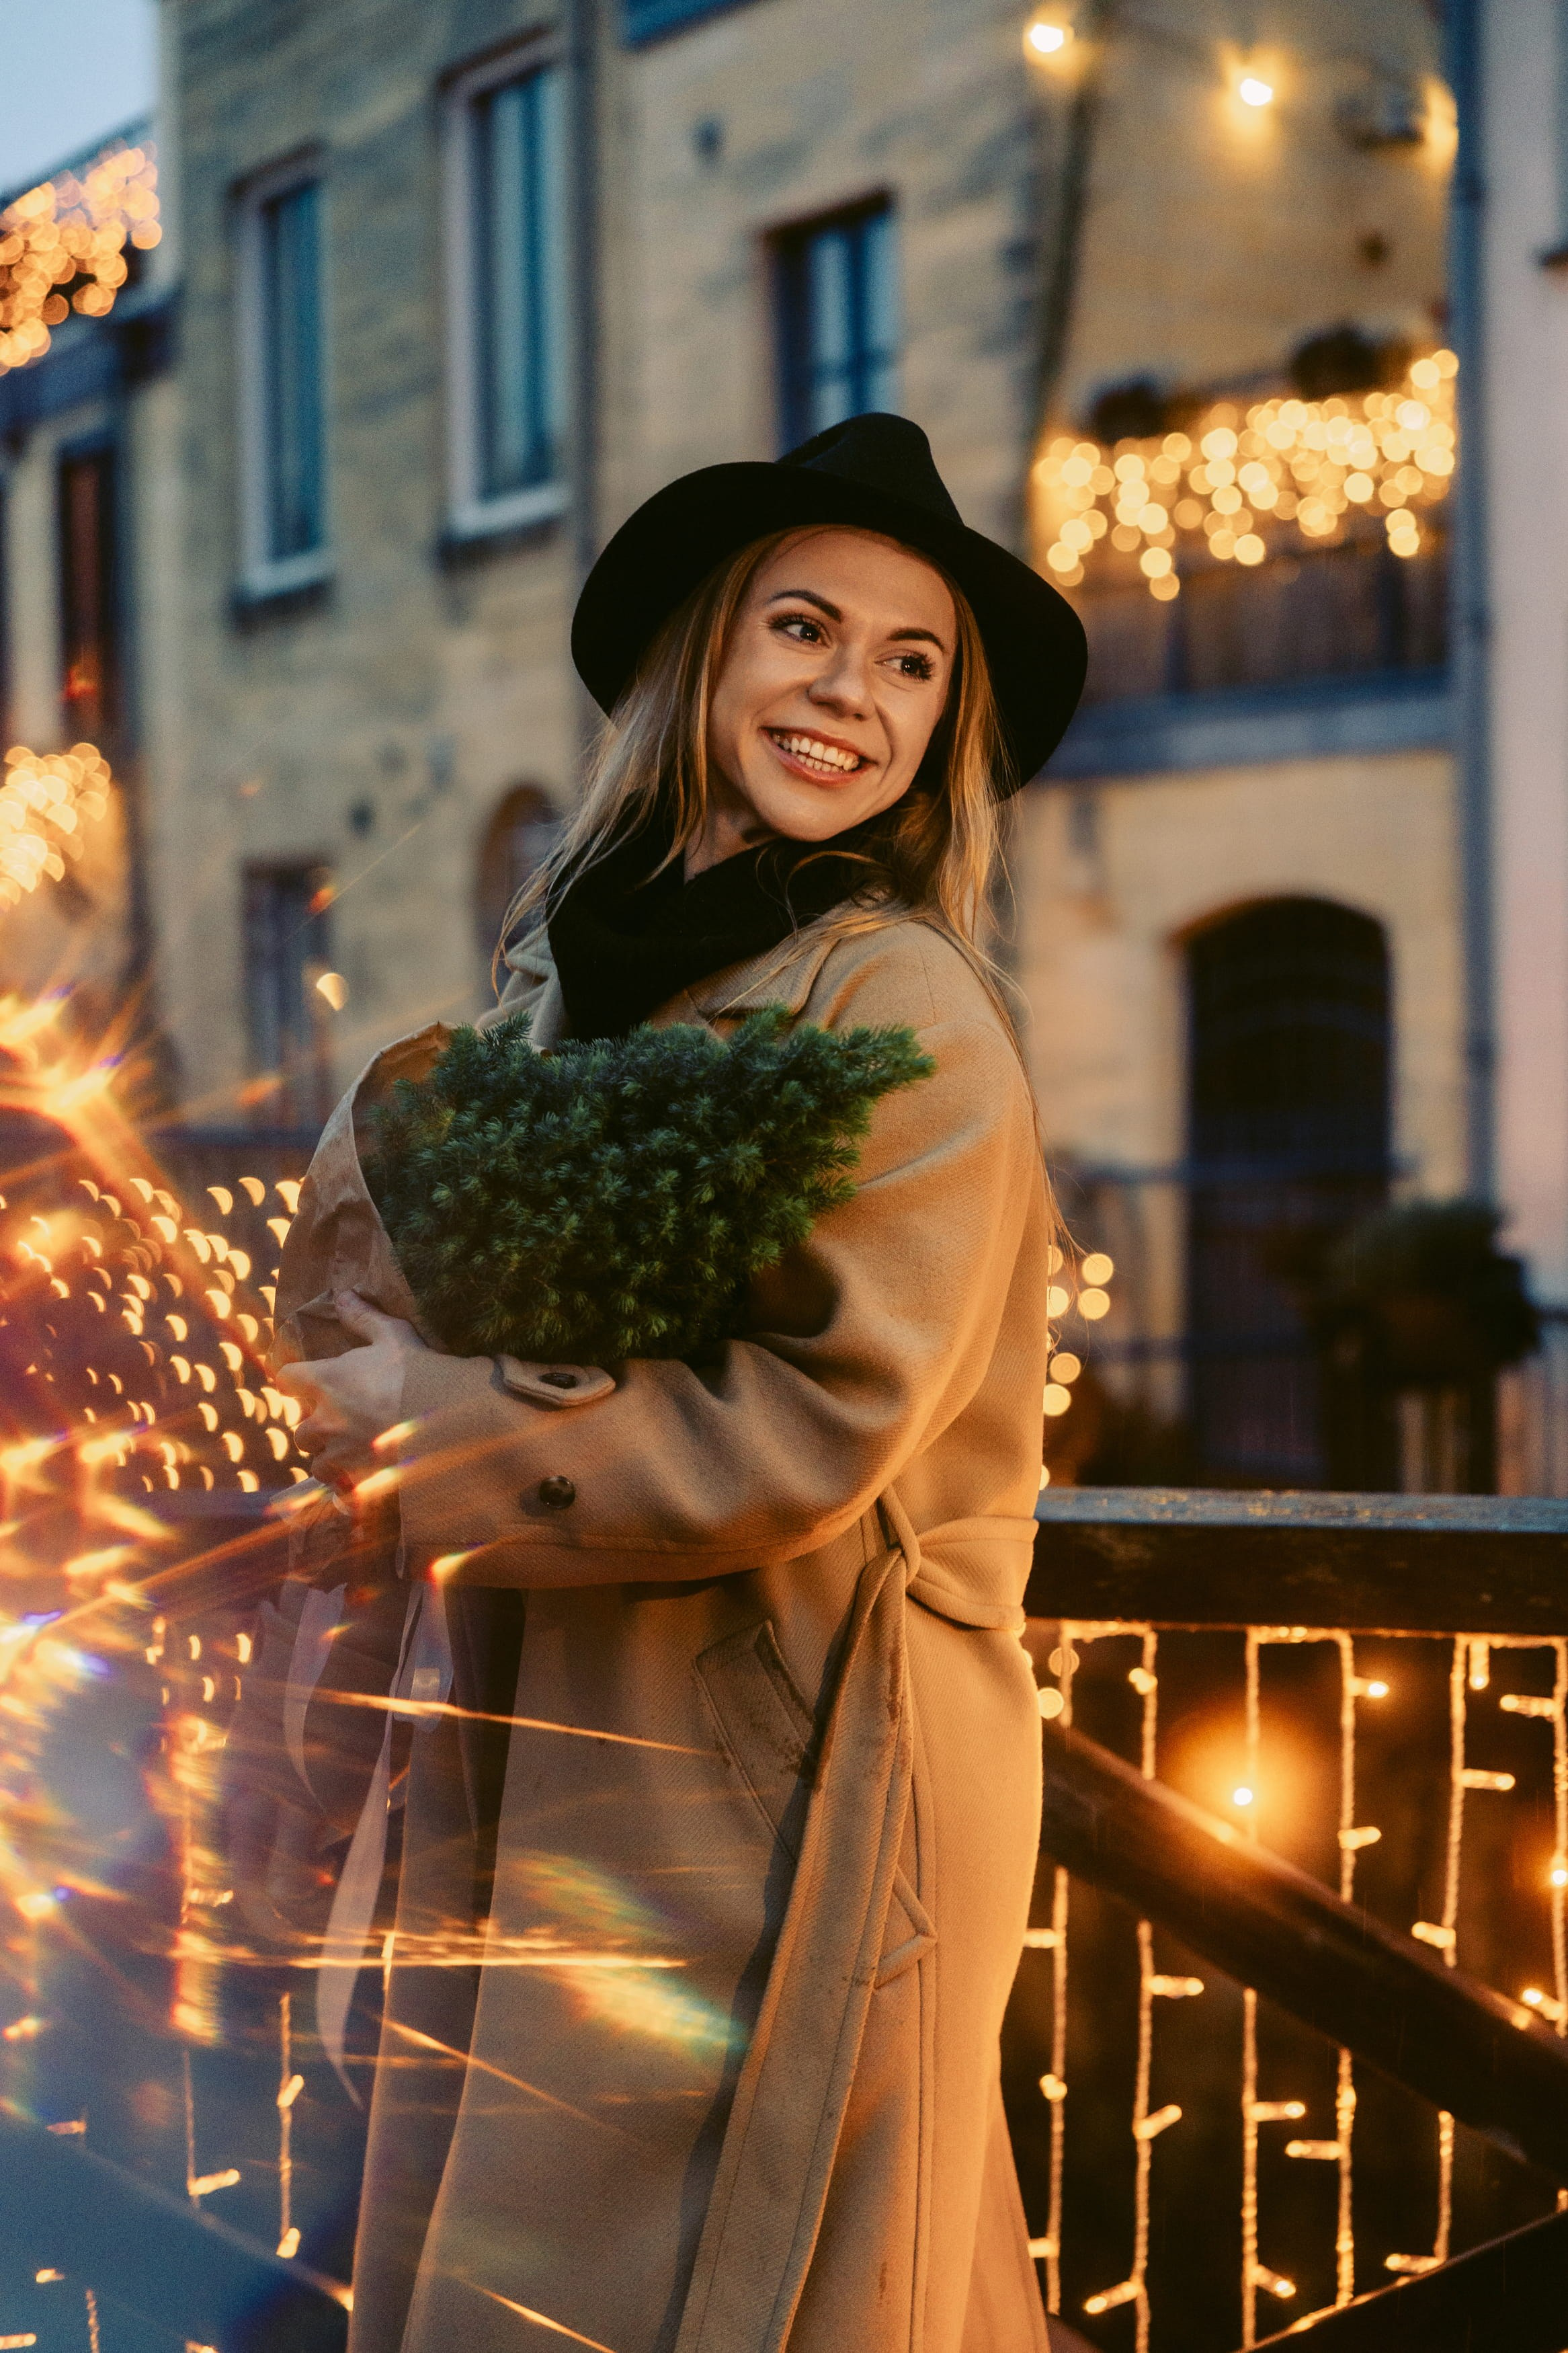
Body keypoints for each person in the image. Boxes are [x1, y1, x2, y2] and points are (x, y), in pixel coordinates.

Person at [259, 413, 1087, 2353]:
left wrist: (419, 1438)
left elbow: (800, 1432)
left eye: (911, 664)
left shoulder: (900, 1005)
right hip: (547, 1725)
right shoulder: (557, 977)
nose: (850, 696)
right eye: (806, 629)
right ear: (708, 655)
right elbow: (372, 1285)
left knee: (769, 2282)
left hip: (798, 1755)